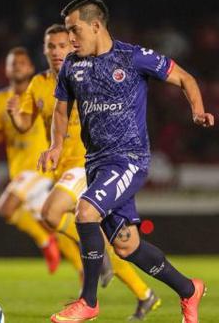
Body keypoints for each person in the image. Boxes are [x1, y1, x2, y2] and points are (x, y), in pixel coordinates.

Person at [40, 0, 215, 323]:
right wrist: (54, 146)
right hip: (96, 163)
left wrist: (197, 110)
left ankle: (88, 302)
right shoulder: (72, 68)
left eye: (74, 30)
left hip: (128, 159)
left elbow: (185, 78)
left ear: (96, 26)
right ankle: (189, 290)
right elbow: (61, 109)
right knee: (126, 247)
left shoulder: (133, 57)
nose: (70, 40)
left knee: (85, 211)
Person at [8, 24, 161, 320]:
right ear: (44, 49)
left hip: (88, 165)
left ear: (73, 46)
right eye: (51, 46)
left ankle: (99, 268)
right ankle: (145, 294)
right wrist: (16, 116)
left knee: (51, 214)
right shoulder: (38, 84)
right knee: (114, 242)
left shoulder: (87, 74)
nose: (56, 52)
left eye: (62, 45)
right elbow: (26, 125)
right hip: (62, 169)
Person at [0, 46, 79, 275]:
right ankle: (83, 269)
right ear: (6, 69)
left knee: (7, 207)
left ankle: (44, 242)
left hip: (39, 169)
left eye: (22, 62)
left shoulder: (40, 91)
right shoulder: (0, 98)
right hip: (19, 170)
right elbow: (0, 134)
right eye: (13, 62)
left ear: (30, 67)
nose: (18, 65)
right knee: (54, 223)